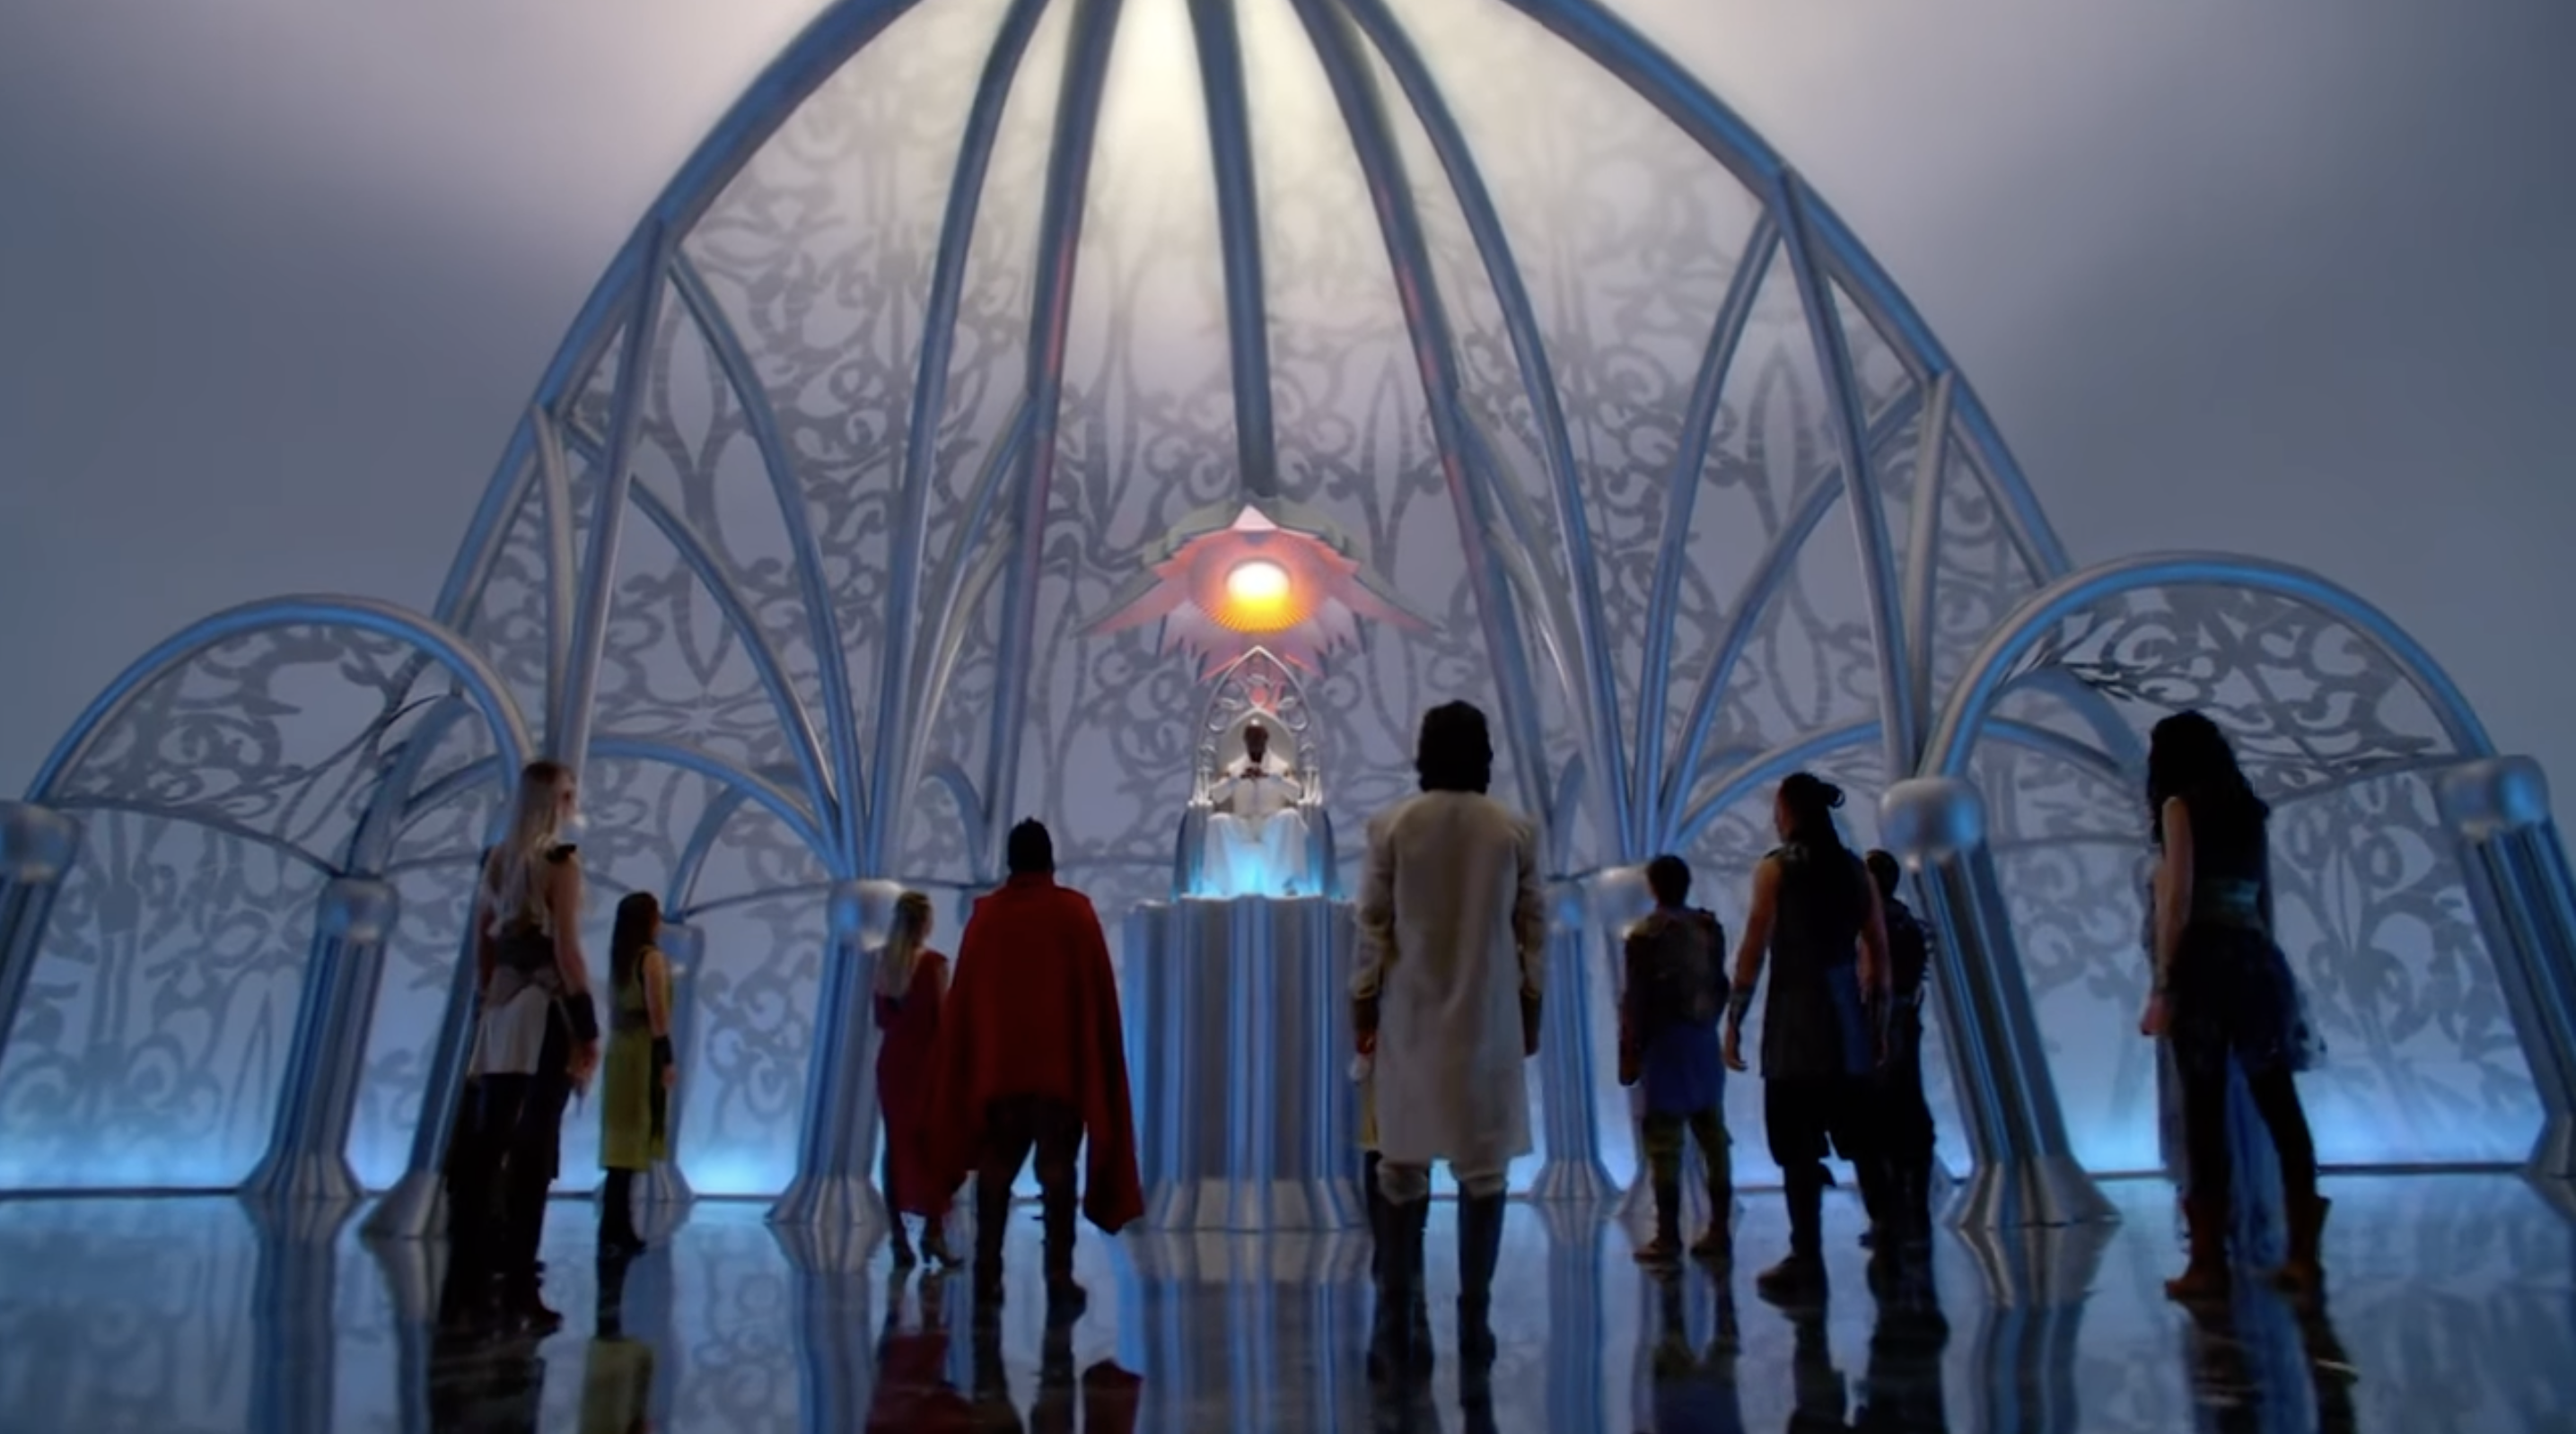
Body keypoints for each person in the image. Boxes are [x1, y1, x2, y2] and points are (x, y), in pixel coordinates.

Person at [1352, 700, 1546, 1377]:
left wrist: (1362, 1009)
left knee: (1399, 1168)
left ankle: (1395, 1317)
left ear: (1424, 752)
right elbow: (1534, 932)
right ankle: (1475, 1319)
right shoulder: (1514, 830)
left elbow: (1371, 928)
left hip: (1409, 1021)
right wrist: (1530, 1011)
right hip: (1488, 1022)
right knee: (1484, 1172)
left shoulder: (1392, 827)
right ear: (1484, 754)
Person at [2138, 711, 2326, 1300]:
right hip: (2255, 959)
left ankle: (2207, 1262)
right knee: (2281, 1106)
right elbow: (2265, 898)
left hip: (2203, 965)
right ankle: (2304, 1255)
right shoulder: (2248, 812)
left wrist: (2164, 985)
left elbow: (2178, 902)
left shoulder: (2179, 808)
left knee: (2204, 1110)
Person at [927, 819, 1143, 1317]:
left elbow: (966, 1003)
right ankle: (1058, 1277)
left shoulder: (986, 918)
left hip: (1000, 1074)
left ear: (1010, 861)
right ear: (1049, 859)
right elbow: (1096, 999)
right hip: (1059, 1076)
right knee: (1058, 1173)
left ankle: (987, 1273)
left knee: (996, 1173)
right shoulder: (1075, 913)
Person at [1722, 772, 1888, 1305]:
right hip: (1846, 1023)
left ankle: (1807, 1259)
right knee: (1864, 1143)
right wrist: (1878, 1025)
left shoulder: (1776, 868)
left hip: (1794, 1022)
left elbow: (1754, 947)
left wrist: (1734, 1020)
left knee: (1796, 1150)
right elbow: (1877, 950)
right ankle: (1892, 1241)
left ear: (1788, 811)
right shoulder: (1855, 870)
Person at [446, 758, 600, 1333]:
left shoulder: (497, 860)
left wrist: (488, 1000)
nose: (573, 803)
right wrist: (588, 1026)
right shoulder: (560, 864)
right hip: (543, 1011)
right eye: (568, 794)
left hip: (501, 1011)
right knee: (533, 1151)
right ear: (556, 803)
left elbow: (483, 947)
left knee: (487, 1146)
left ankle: (467, 1284)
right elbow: (567, 951)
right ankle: (518, 1286)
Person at [1619, 853, 1731, 1270]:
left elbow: (1636, 1000)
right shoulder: (1708, 928)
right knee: (1714, 1137)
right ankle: (1719, 1227)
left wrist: (1629, 1051)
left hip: (1664, 1046)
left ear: (1653, 887)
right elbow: (1720, 983)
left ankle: (1667, 1236)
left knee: (1664, 1142)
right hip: (1702, 1040)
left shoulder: (1644, 935)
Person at [1862, 850, 1938, 1253]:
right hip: (1907, 1021)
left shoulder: (1873, 928)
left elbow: (1874, 982)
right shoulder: (1908, 922)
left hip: (1883, 1027)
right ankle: (1915, 1211)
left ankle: (1889, 1219)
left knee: (1879, 1125)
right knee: (1910, 1115)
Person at [875, 890, 954, 1268]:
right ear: (925, 923)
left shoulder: (885, 964)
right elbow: (942, 1020)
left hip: (893, 1064)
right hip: (928, 1063)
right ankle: (933, 1233)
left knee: (895, 1146)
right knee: (936, 1146)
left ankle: (898, 1238)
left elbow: (882, 1019)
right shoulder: (935, 964)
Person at [597, 891, 676, 1257]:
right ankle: (618, 1228)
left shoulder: (619, 958)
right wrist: (666, 1059)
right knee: (631, 1138)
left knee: (619, 1141)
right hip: (641, 1053)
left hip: (619, 1050)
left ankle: (614, 1224)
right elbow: (657, 1014)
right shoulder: (651, 959)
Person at [1202, 720, 1310, 896]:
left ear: (1265, 739)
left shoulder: (1281, 767)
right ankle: (1219, 886)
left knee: (1290, 817)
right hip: (1243, 824)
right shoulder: (1233, 768)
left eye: (1258, 738)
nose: (1255, 743)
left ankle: (1289, 883)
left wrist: (1275, 779)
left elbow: (1296, 793)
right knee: (1217, 821)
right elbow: (1216, 795)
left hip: (1271, 824)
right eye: (1251, 739)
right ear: (1245, 741)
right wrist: (1235, 780)